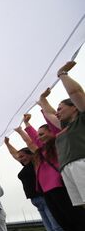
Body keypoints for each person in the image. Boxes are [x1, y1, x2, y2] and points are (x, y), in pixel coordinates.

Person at [16, 116, 85, 231]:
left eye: (42, 133)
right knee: (67, 226)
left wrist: (41, 108)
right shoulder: (41, 151)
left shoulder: (58, 144)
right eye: (38, 134)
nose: (39, 137)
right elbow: (31, 141)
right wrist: (22, 129)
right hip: (47, 192)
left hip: (60, 187)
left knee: (76, 222)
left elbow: (56, 128)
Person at [5, 136, 77, 231]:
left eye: (23, 156)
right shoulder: (25, 164)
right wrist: (7, 144)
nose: (21, 158)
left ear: (31, 155)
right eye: (19, 157)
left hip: (45, 197)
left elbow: (31, 146)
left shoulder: (37, 162)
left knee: (59, 229)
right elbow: (15, 154)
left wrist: (21, 131)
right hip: (37, 201)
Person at [40, 62, 85, 208]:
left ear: (74, 108)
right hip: (67, 168)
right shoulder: (64, 127)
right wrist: (42, 100)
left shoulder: (82, 118)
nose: (57, 112)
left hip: (81, 162)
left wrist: (62, 74)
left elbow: (75, 93)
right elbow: (50, 113)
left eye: (61, 108)